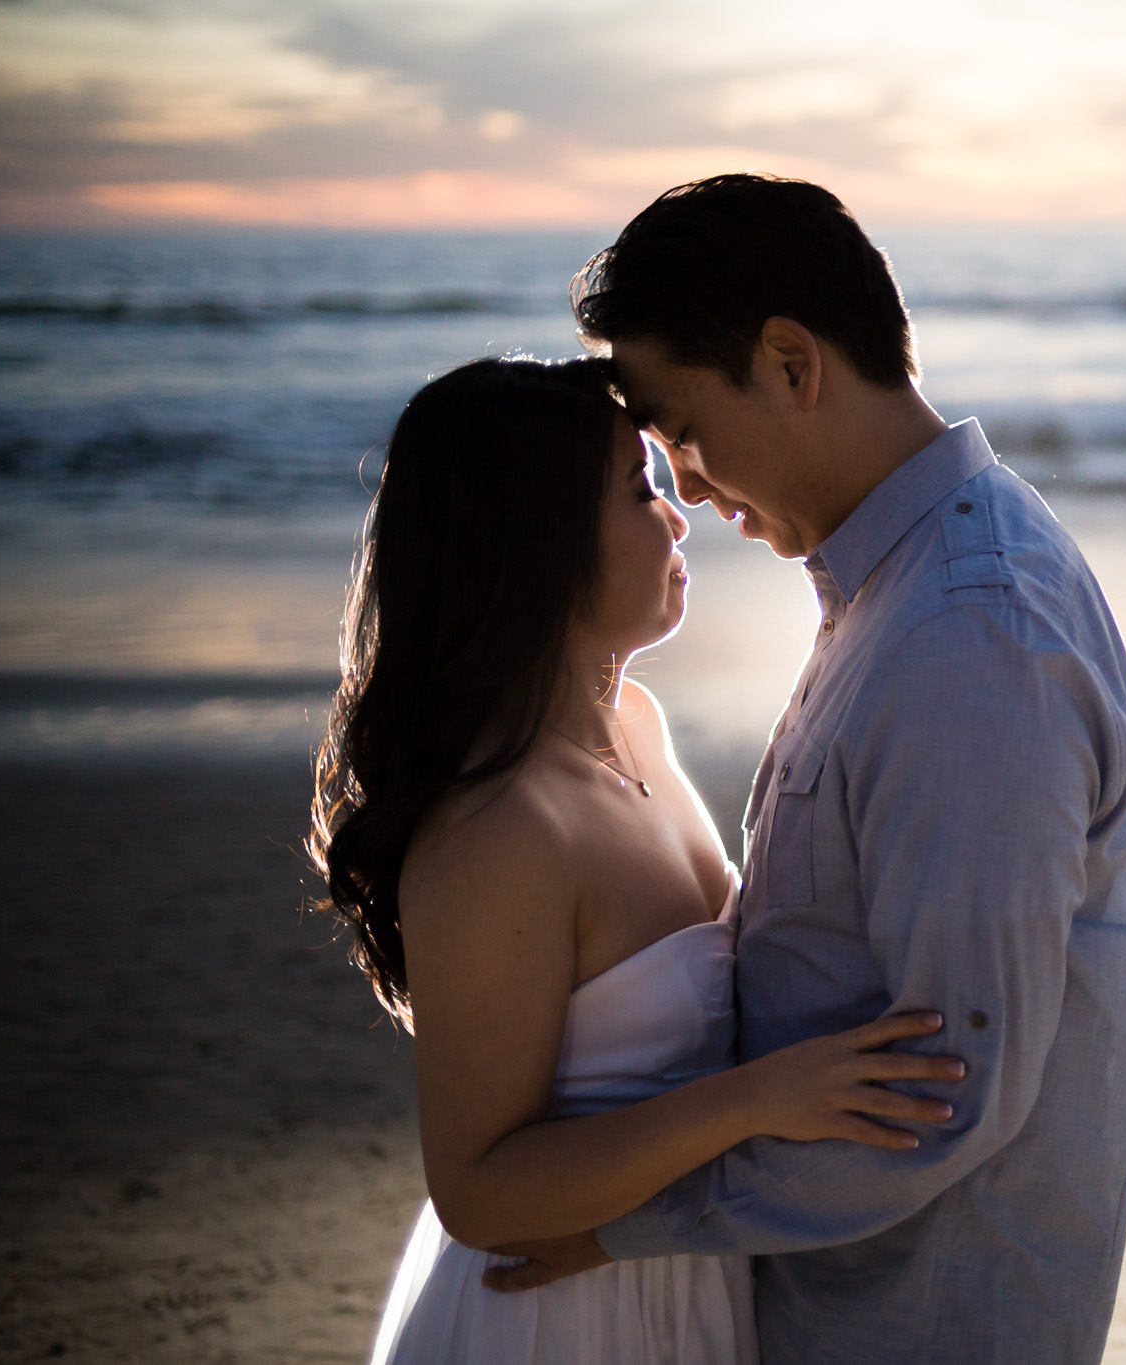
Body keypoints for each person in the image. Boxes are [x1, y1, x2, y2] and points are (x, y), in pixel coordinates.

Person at [487, 174, 1126, 1364]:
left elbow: (941, 1096)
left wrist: (624, 1224)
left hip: (919, 1318)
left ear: (791, 363)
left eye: (684, 431)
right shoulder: (897, 590)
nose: (685, 486)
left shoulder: (969, 639)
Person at [309, 355, 963, 1365]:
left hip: (685, 1279)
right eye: (637, 489)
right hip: (562, 1318)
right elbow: (478, 1190)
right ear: (537, 542)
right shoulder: (495, 829)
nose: (677, 514)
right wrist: (756, 1100)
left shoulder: (635, 726)